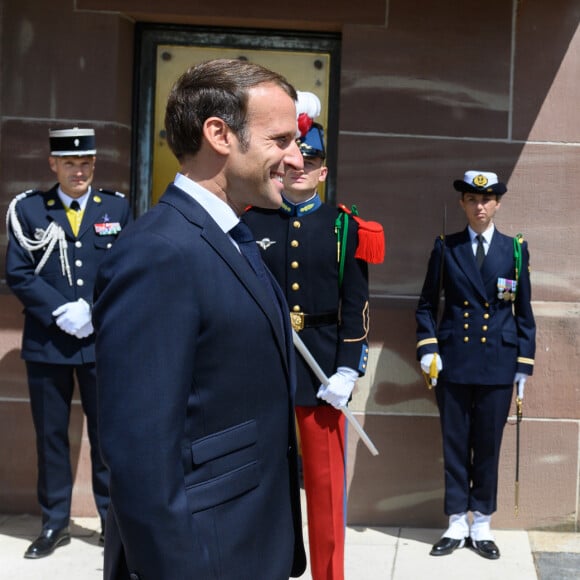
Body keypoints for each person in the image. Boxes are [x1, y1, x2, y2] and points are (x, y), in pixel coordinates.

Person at [92, 58, 307, 580]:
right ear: (220, 134)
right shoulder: (159, 254)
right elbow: (140, 460)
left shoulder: (229, 236)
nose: (297, 159)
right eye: (279, 140)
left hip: (248, 542)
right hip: (203, 557)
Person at [244, 92, 383, 580]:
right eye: (294, 157)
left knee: (325, 491)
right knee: (263, 484)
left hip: (325, 371)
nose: (300, 165)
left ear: (324, 171)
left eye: (313, 160)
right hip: (267, 368)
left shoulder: (346, 228)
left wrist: (349, 368)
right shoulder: (248, 221)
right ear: (280, 166)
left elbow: (358, 304)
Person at [5, 127, 132, 558]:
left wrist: (92, 313)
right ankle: (54, 523)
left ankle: (112, 520)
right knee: (52, 438)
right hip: (48, 343)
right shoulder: (31, 211)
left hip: (102, 342)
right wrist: (61, 311)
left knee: (107, 436)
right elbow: (18, 272)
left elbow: (127, 270)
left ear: (94, 164)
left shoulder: (116, 207)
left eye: (85, 163)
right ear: (53, 164)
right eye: (69, 163)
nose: (78, 170)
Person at [415, 170, 536, 560]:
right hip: (454, 362)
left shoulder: (514, 250)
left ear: (498, 203)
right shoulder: (446, 249)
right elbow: (427, 305)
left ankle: (481, 522)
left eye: (486, 199)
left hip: (499, 364)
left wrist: (523, 364)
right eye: (472, 199)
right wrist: (428, 348)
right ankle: (455, 522)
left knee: (486, 446)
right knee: (454, 444)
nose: (479, 206)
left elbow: (524, 312)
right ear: (462, 203)